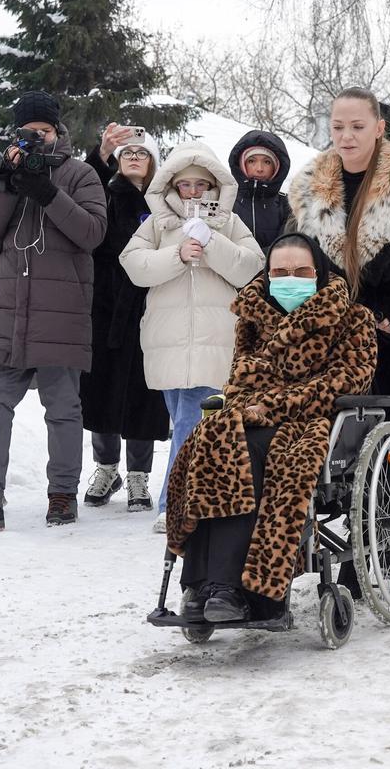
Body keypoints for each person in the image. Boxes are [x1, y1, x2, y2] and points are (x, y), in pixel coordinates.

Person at [167, 233, 377, 622]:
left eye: (301, 271)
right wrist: (250, 405)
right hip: (250, 413)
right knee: (211, 439)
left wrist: (275, 402)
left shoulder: (353, 319)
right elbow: (239, 380)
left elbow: (348, 381)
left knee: (250, 449)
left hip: (311, 423)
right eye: (280, 271)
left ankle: (237, 589)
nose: (290, 278)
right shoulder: (252, 320)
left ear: (319, 273)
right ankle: (200, 585)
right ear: (267, 274)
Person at [0, 91, 107, 531]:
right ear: (16, 133)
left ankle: (62, 496)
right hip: (8, 312)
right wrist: (2, 184)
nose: (37, 139)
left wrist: (48, 191)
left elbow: (92, 233)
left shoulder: (81, 174)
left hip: (61, 312)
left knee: (62, 409)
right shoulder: (1, 173)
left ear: (57, 133)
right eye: (28, 132)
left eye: (44, 132)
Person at [288, 86, 390, 452]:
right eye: (338, 126)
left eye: (357, 126)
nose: (347, 136)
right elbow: (295, 258)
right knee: (337, 451)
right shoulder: (310, 190)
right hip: (335, 338)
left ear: (379, 127)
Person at [120, 140, 264, 533]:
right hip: (166, 340)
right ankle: (206, 497)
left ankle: (175, 503)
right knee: (187, 422)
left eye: (202, 185)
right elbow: (132, 265)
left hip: (215, 338)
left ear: (215, 187)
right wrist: (177, 255)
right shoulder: (157, 224)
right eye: (186, 185)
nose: (194, 192)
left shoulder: (230, 223)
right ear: (172, 187)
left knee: (189, 420)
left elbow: (251, 267)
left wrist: (212, 243)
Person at [80, 124, 170, 511]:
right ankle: (106, 467)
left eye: (142, 152)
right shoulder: (104, 193)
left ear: (153, 163)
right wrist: (100, 154)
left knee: (142, 396)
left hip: (149, 309)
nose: (134, 157)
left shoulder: (162, 202)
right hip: (105, 308)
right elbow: (85, 189)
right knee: (101, 390)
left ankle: (138, 476)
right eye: (127, 152)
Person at [228, 130, 292, 252]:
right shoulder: (226, 200)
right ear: (241, 164)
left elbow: (286, 245)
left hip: (273, 269)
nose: (259, 169)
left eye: (267, 162)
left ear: (277, 167)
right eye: (251, 161)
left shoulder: (288, 205)